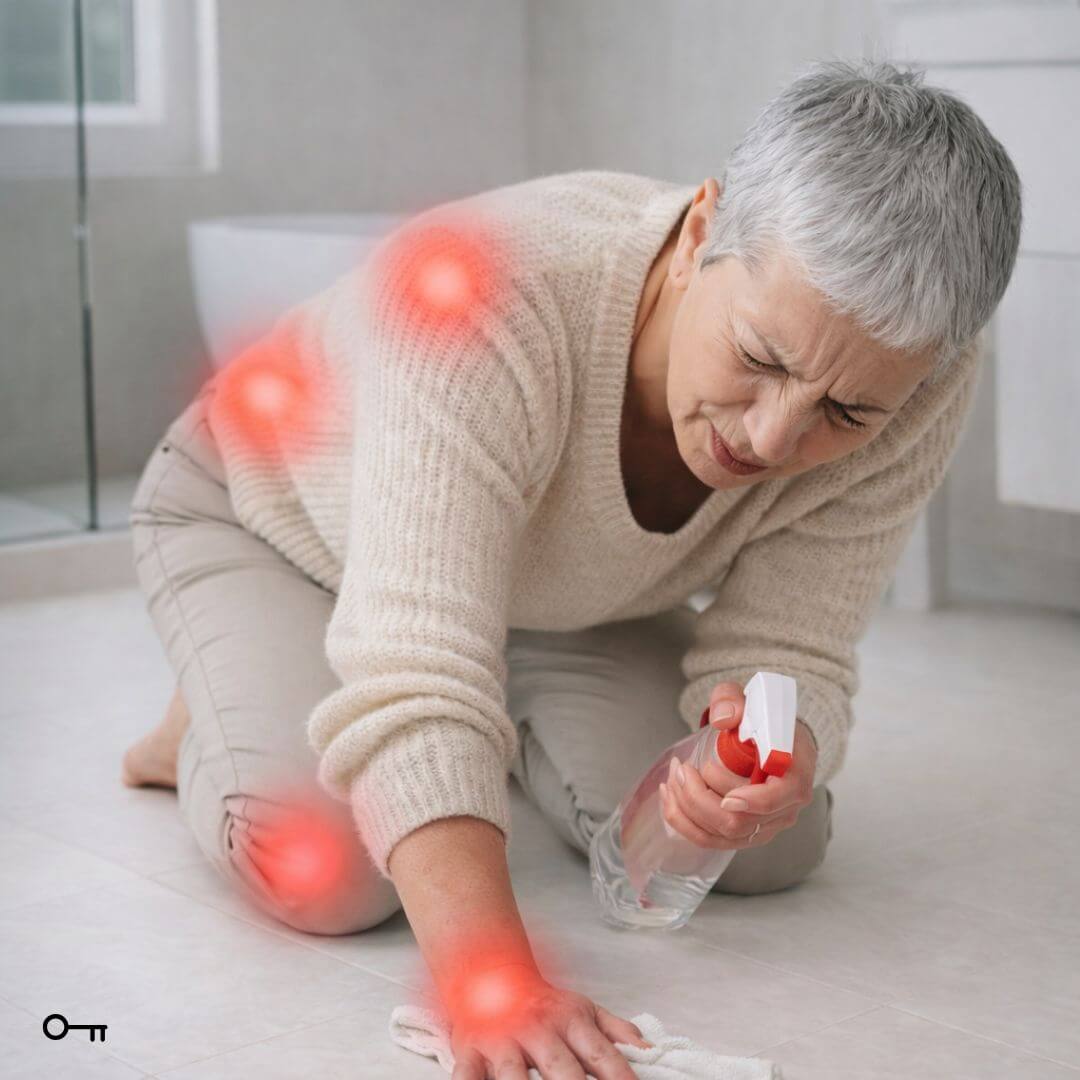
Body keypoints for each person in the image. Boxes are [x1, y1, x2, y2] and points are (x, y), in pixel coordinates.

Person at [122, 58, 1020, 1080]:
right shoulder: (487, 291)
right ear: (698, 235)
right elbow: (412, 670)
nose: (773, 439)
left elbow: (791, 647)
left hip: (553, 589)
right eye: (762, 361)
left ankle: (479, 697)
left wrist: (773, 749)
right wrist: (491, 981)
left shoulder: (916, 370)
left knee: (770, 845)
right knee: (331, 878)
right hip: (267, 517)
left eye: (846, 414)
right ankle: (215, 699)